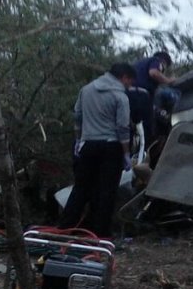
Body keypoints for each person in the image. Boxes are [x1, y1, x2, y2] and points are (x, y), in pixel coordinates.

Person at [57, 63, 136, 238]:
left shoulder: (86, 90)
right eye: (129, 82)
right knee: (106, 192)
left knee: (81, 189)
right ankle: (100, 234)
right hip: (111, 146)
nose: (129, 86)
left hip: (88, 146)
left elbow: (77, 116)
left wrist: (79, 140)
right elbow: (122, 127)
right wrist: (125, 153)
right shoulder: (120, 96)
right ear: (124, 77)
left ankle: (64, 229)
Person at [132, 50, 176, 143]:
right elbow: (154, 73)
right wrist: (168, 81)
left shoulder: (140, 64)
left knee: (132, 126)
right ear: (164, 62)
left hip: (129, 95)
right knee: (148, 127)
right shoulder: (157, 61)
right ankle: (148, 151)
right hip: (142, 95)